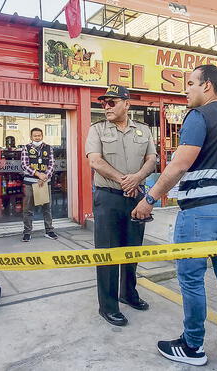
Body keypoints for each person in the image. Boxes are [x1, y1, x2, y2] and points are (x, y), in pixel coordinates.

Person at [132, 65, 217, 366]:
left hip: (201, 213)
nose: (186, 90)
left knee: (192, 279)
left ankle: (193, 346)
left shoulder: (199, 116)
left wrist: (150, 198)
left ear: (207, 86)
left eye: (191, 84)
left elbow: (180, 164)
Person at [85, 84, 157, 327]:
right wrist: (125, 180)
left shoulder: (143, 130)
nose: (106, 106)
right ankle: (108, 306)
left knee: (133, 249)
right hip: (108, 197)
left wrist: (137, 179)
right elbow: (95, 160)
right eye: (104, 102)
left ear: (127, 104)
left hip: (136, 197)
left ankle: (129, 293)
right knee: (107, 252)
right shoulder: (96, 130)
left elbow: (152, 159)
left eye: (112, 102)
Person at [20, 128, 58, 242]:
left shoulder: (49, 148)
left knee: (47, 208)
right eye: (35, 136)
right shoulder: (26, 148)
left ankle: (49, 230)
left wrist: (44, 177)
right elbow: (24, 165)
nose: (37, 137)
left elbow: (52, 164)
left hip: (45, 182)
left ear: (42, 136)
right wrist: (38, 174)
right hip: (30, 182)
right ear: (31, 137)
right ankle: (27, 232)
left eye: (39, 135)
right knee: (28, 209)